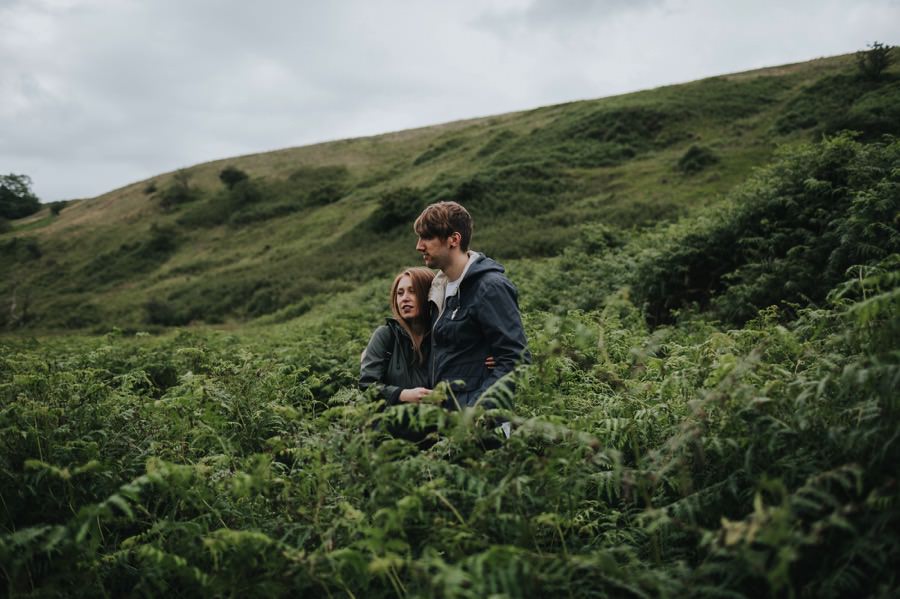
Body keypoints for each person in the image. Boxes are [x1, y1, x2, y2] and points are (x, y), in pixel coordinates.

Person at [414, 201, 530, 411]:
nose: (419, 246)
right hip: (446, 419)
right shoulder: (438, 288)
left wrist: (476, 412)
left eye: (428, 237)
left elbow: (515, 361)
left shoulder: (490, 287)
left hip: (479, 425)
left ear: (454, 239)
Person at [359, 267, 434, 406]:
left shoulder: (442, 335)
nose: (405, 298)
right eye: (400, 293)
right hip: (391, 425)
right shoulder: (385, 335)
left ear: (428, 294)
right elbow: (367, 385)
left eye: (413, 291)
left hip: (439, 424)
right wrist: (403, 394)